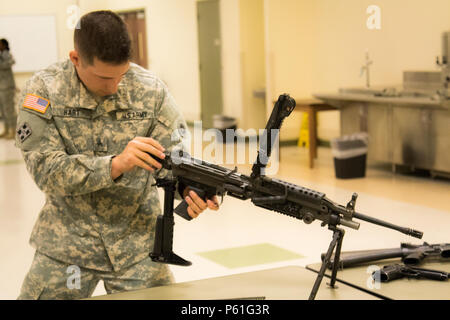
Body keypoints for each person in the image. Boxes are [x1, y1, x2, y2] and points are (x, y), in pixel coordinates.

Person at [16, 10, 219, 300]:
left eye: (121, 75)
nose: (113, 87)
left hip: (137, 245)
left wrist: (188, 189)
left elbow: (173, 160)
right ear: (76, 59)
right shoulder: (44, 89)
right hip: (68, 245)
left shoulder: (151, 90)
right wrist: (116, 164)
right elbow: (47, 171)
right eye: (103, 77)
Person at [0, 38, 17, 139]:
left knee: (9, 110)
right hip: (1, 87)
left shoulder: (7, 54)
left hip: (7, 87)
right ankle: (6, 130)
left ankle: (13, 131)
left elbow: (10, 62)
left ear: (5, 45)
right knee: (3, 110)